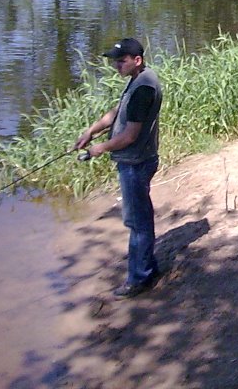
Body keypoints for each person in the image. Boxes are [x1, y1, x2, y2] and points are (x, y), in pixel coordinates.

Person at [75, 37, 163, 299]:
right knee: (138, 219)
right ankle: (147, 268)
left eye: (121, 60)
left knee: (137, 222)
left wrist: (99, 148)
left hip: (136, 163)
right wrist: (91, 131)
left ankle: (139, 279)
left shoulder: (144, 88)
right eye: (115, 60)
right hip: (135, 161)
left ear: (137, 60)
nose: (116, 65)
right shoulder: (139, 80)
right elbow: (117, 113)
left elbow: (129, 136)